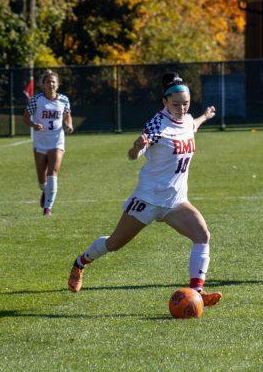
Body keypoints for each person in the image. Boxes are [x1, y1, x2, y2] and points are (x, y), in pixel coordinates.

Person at [67, 72, 222, 306]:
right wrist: (136, 146)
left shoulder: (188, 119)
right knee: (115, 244)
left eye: (186, 104)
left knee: (202, 236)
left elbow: (192, 126)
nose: (181, 108)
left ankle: (197, 292)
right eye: (176, 104)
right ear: (165, 102)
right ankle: (80, 263)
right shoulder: (157, 124)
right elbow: (134, 154)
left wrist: (205, 116)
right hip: (148, 199)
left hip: (175, 201)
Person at [22, 69, 74, 217]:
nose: (50, 84)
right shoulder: (36, 100)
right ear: (43, 85)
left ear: (57, 85)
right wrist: (34, 125)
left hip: (57, 141)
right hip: (40, 142)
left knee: (53, 173)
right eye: (47, 82)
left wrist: (69, 125)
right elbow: (25, 118)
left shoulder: (64, 99)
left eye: (53, 82)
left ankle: (47, 208)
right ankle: (45, 191)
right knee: (41, 179)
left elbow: (67, 116)